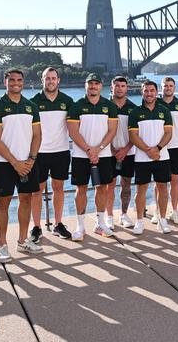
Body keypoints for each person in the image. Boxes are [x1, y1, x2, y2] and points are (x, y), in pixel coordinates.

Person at [0, 69, 43, 262]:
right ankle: (2, 246)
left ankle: (22, 240)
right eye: (11, 80)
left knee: (26, 200)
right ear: (5, 82)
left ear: (24, 82)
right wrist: (15, 163)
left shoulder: (31, 106)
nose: (16, 83)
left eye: (19, 80)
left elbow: (37, 135)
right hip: (5, 164)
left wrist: (31, 160)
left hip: (28, 163)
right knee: (3, 203)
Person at [67, 73, 118, 241]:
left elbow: (112, 130)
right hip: (81, 156)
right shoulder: (76, 106)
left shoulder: (109, 106)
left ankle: (100, 223)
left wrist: (99, 149)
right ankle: (80, 227)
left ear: (101, 86)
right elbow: (73, 131)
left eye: (96, 84)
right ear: (86, 85)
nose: (93, 86)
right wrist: (89, 150)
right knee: (80, 188)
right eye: (90, 84)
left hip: (103, 155)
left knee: (102, 188)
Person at [29, 67, 74, 241]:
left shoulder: (67, 101)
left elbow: (75, 126)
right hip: (39, 153)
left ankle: (58, 224)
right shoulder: (33, 102)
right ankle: (37, 227)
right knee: (36, 191)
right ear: (42, 80)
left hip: (61, 151)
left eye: (53, 78)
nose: (50, 81)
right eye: (47, 78)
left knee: (59, 188)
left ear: (58, 80)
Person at [128, 80, 173, 234]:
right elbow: (133, 136)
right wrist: (148, 150)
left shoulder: (164, 111)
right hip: (142, 157)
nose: (149, 93)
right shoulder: (134, 112)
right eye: (146, 91)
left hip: (162, 155)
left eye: (152, 90)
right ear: (142, 92)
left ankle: (162, 219)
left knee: (163, 188)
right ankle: (139, 222)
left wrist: (157, 148)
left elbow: (169, 133)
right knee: (141, 189)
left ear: (156, 92)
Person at [153, 77, 178, 225]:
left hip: (176, 147)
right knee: (159, 183)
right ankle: (157, 212)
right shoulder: (155, 104)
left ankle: (174, 211)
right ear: (161, 88)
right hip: (160, 147)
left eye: (170, 86)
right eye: (165, 86)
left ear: (174, 88)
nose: (168, 88)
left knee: (175, 180)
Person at [108, 76, 137, 229]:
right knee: (109, 186)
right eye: (116, 85)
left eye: (123, 86)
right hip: (108, 153)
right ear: (111, 87)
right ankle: (109, 216)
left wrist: (125, 150)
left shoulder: (133, 108)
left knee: (126, 185)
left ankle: (124, 215)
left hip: (128, 153)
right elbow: (102, 131)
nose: (119, 88)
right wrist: (112, 149)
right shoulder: (105, 106)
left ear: (127, 88)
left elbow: (136, 134)